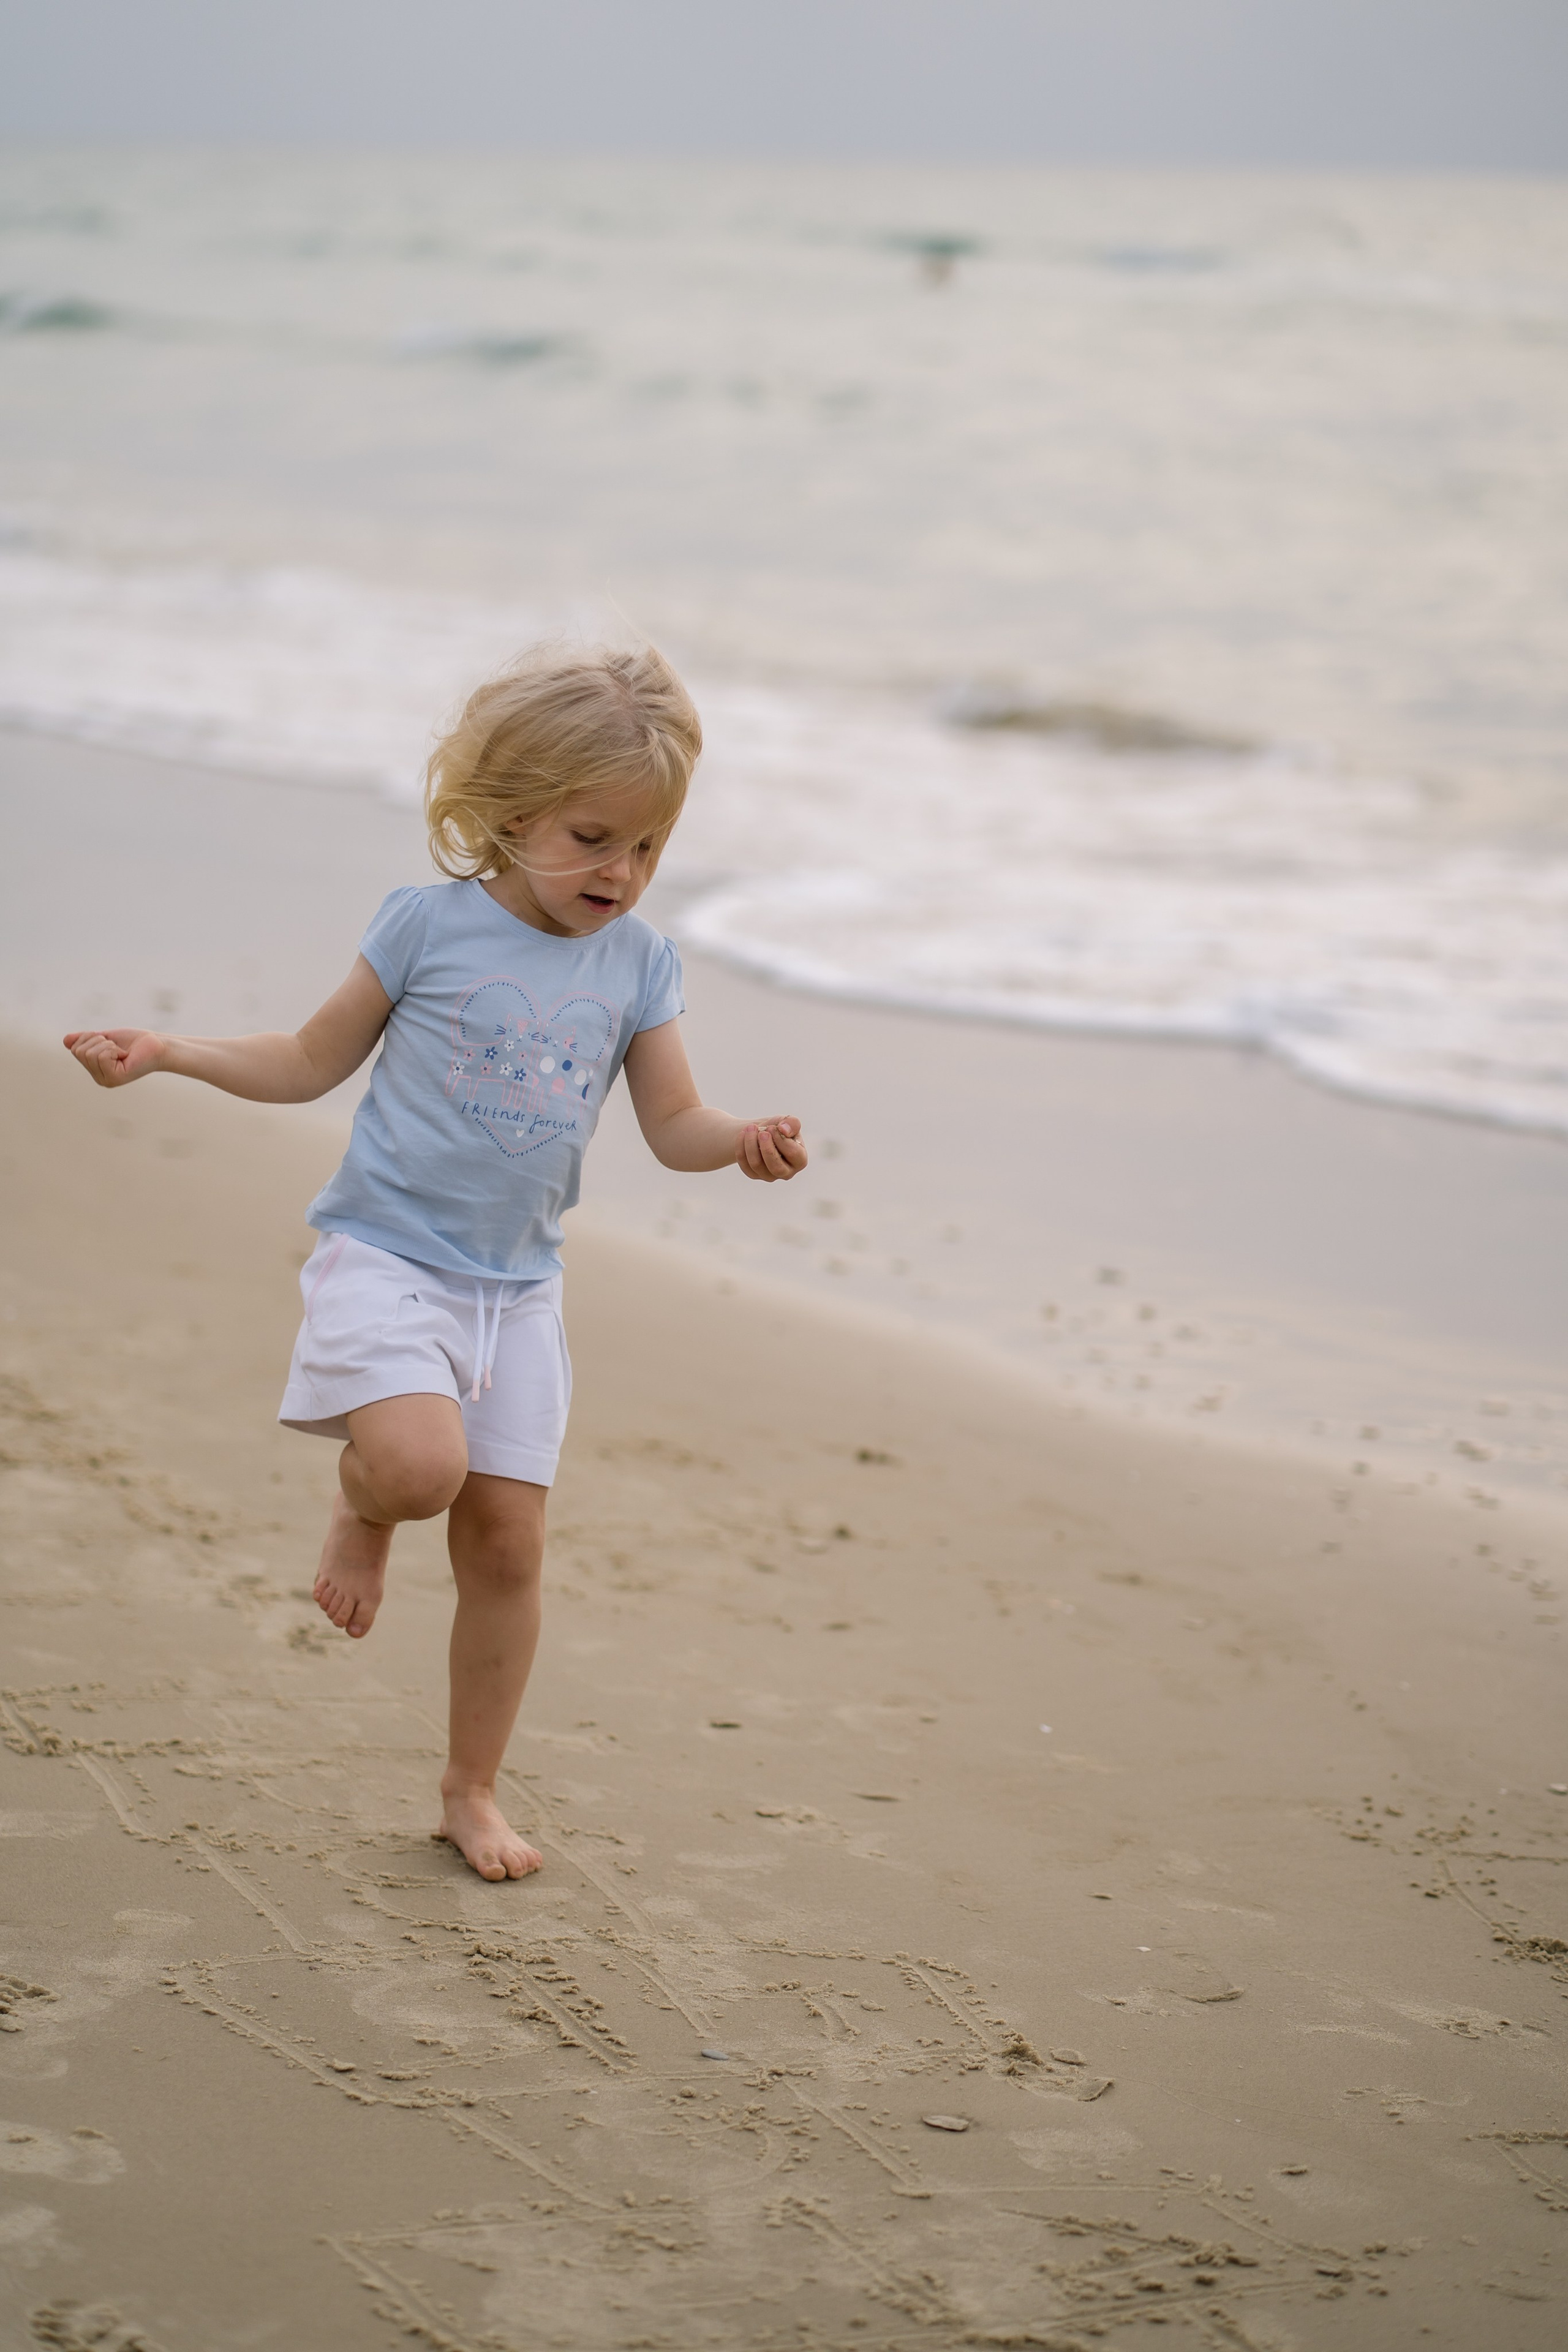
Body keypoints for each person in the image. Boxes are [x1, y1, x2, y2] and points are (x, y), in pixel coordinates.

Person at [63, 644, 807, 1882]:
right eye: (590, 837)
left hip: (518, 1286)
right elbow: (307, 1061)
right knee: (417, 1471)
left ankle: (470, 1790)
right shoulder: (425, 926)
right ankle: (362, 1509)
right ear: (509, 813)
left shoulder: (640, 965)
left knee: (507, 1544)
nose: (618, 874)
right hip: (388, 1255)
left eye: (645, 849)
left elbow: (673, 1128)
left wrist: (741, 1144)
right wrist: (171, 1051)